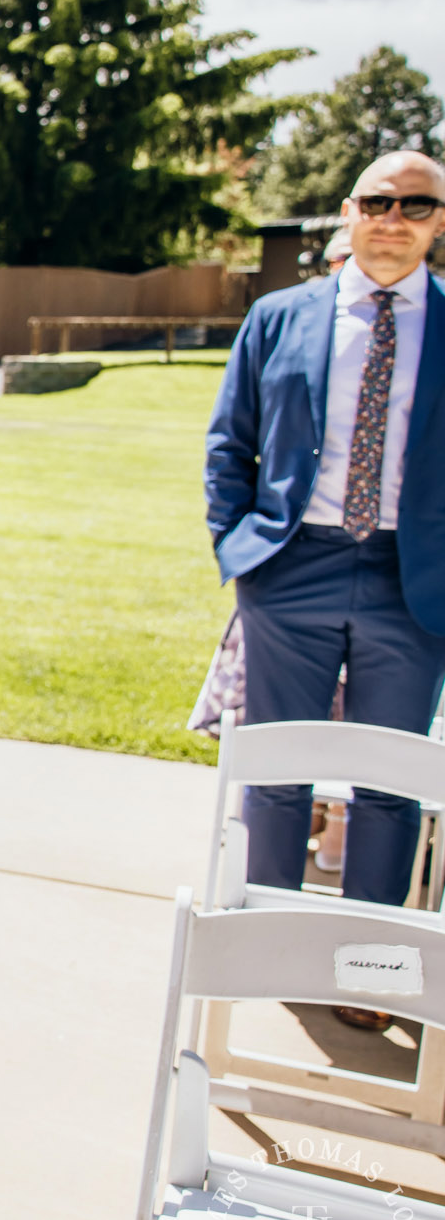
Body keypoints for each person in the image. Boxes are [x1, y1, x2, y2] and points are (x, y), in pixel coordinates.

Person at [207, 148, 445, 1030]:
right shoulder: (280, 317)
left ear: (438, 222)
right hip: (290, 566)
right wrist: (242, 553)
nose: (394, 217)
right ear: (347, 211)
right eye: (378, 200)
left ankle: (366, 973)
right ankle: (273, 948)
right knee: (278, 770)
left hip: (411, 582)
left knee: (389, 779)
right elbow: (229, 441)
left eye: (416, 204)